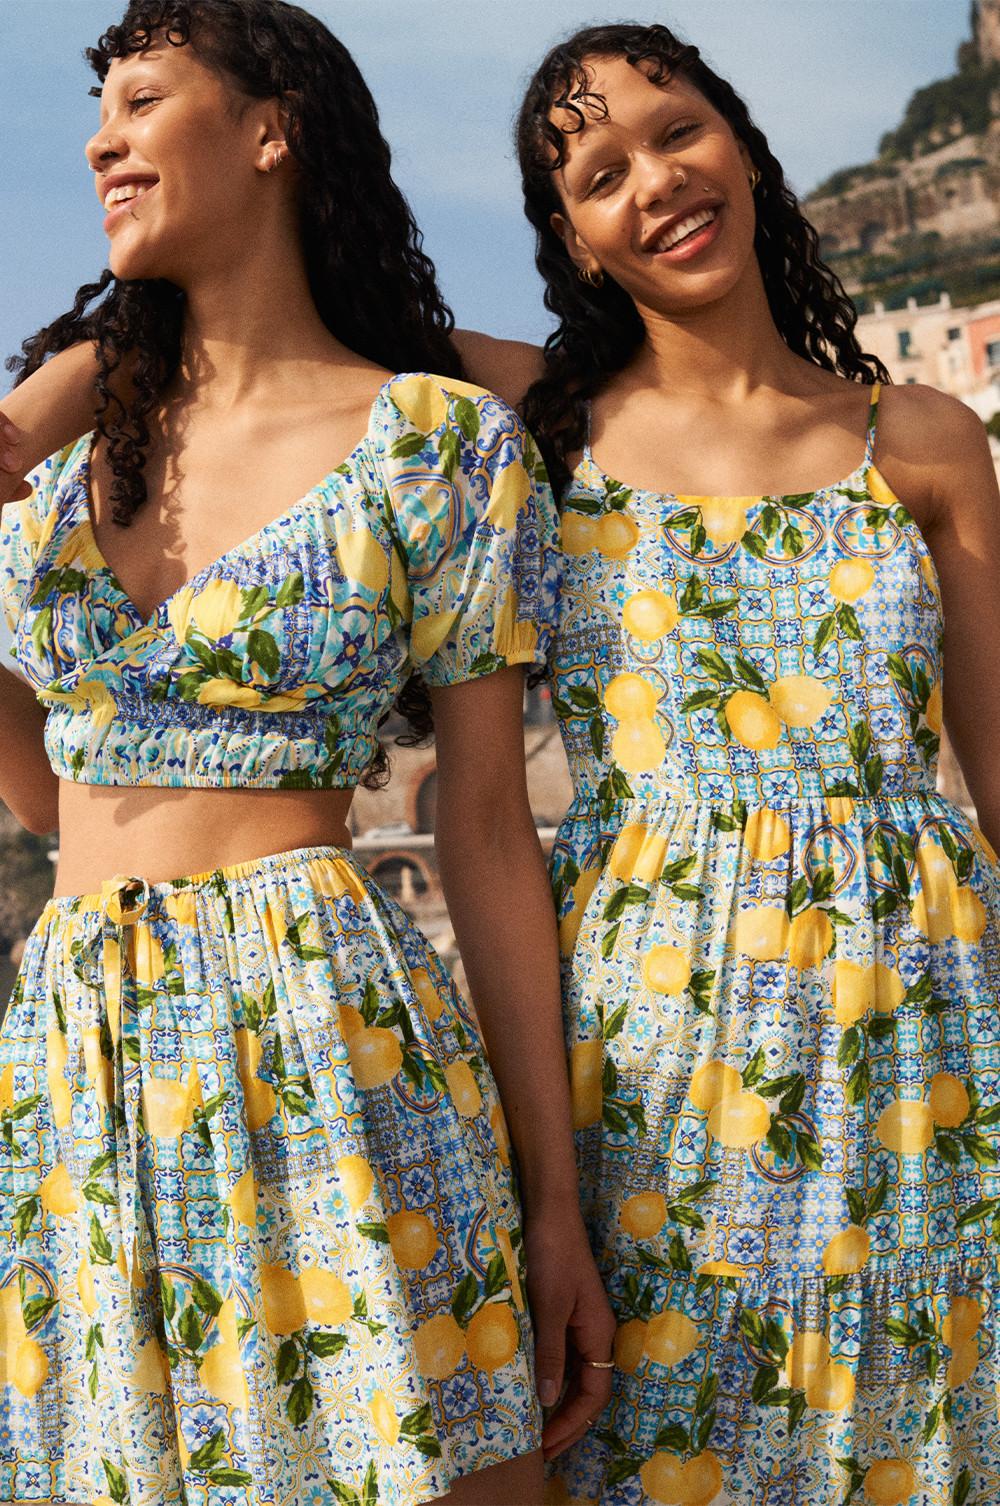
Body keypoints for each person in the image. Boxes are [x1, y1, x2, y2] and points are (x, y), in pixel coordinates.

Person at [0, 4, 614, 1504]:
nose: (100, 139)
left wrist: (554, 1206)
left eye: (144, 99)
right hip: (82, 1049)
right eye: (101, 111)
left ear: (274, 129)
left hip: (323, 1021)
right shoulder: (64, 472)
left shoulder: (434, 442)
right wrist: (65, 379)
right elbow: (44, 776)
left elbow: (483, 832)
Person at [469, 21, 998, 1504]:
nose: (654, 181)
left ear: (744, 149)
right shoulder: (541, 435)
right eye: (597, 172)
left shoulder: (930, 442)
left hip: (935, 1067)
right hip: (653, 1087)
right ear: (572, 241)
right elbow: (290, 301)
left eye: (677, 132)